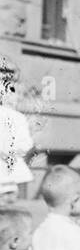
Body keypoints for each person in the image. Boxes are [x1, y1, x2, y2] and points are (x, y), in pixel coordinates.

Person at [0, 59, 34, 204]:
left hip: (8, 166)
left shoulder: (17, 117)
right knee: (9, 200)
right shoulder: (17, 117)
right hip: (11, 165)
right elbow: (26, 145)